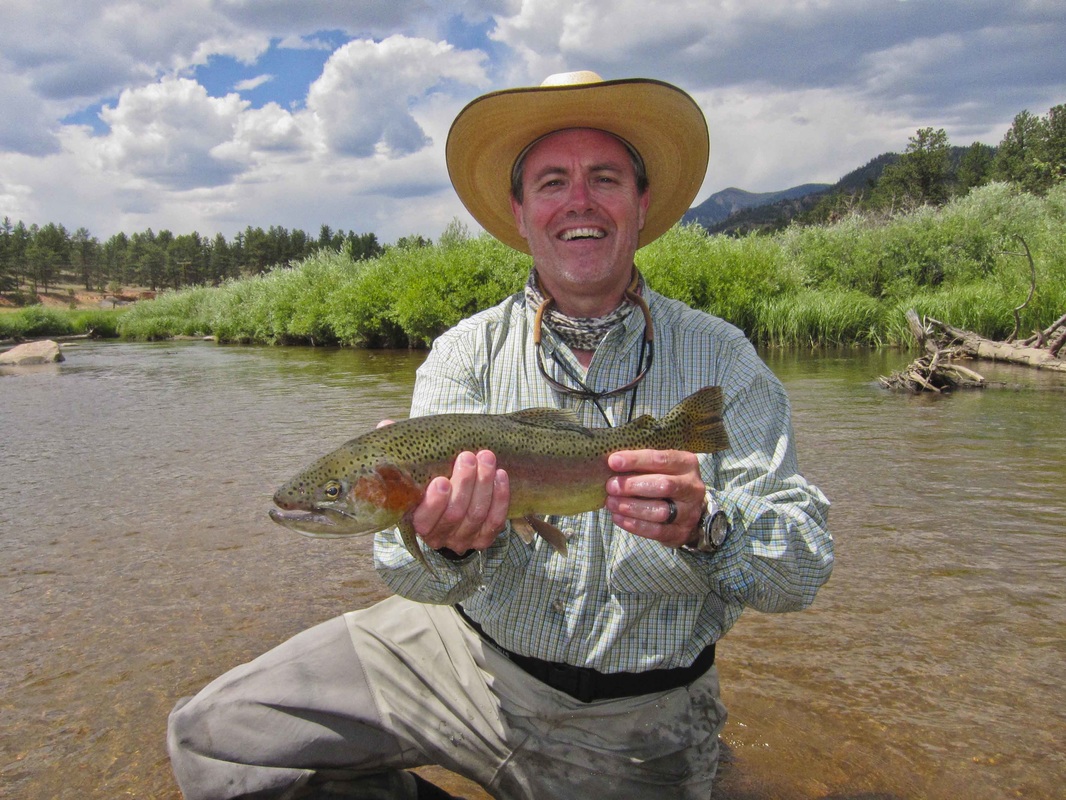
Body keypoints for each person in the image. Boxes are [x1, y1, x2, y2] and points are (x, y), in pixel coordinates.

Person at [167, 70, 833, 800]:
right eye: (552, 182)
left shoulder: (724, 360)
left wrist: (709, 526)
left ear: (641, 205)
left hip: (635, 715)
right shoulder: (462, 352)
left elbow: (800, 572)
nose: (578, 201)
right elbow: (405, 573)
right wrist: (448, 545)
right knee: (217, 734)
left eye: (604, 178)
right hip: (464, 657)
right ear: (520, 212)